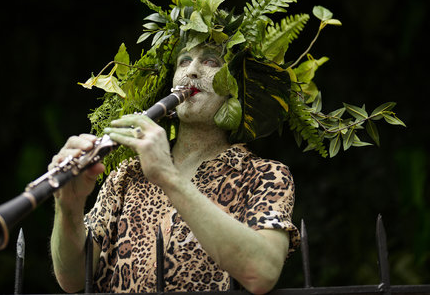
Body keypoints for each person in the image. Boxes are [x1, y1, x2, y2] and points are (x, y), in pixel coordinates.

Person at [49, 43, 300, 294]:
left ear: (236, 86)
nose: (191, 70)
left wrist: (168, 177)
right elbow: (72, 279)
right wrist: (68, 206)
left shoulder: (263, 175)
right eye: (184, 60)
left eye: (211, 62)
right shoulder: (126, 175)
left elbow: (262, 272)